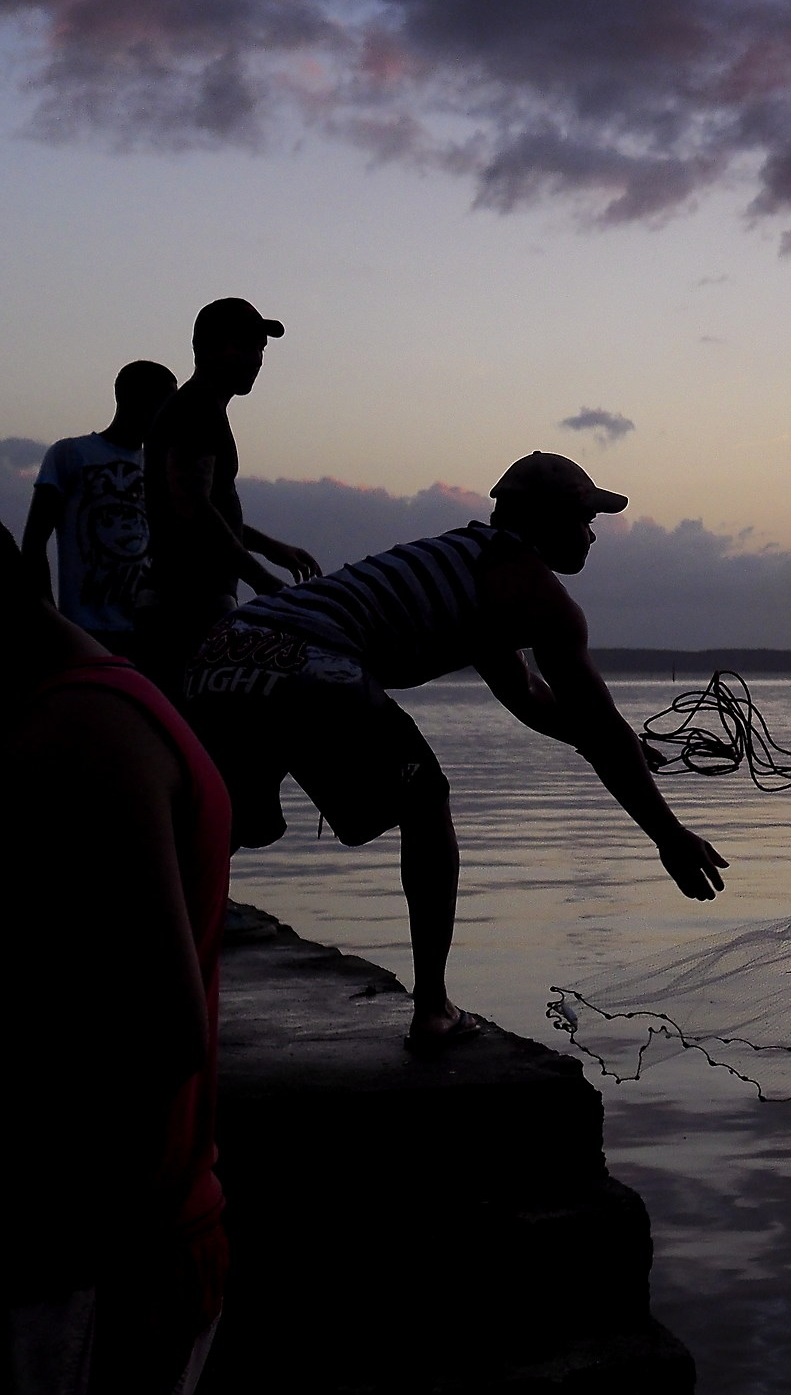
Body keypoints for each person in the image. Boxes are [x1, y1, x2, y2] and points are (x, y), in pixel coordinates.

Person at [183, 451, 726, 1049]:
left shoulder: (472, 565)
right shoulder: (536, 593)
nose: (593, 533)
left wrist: (623, 743)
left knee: (231, 824)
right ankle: (433, 1007)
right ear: (547, 520)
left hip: (220, 652)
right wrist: (669, 836)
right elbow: (593, 722)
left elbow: (533, 699)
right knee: (425, 799)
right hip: (309, 661)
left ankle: (152, 968)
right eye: (584, 517)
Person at [0, 525, 230, 1395]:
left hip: (85, 1266)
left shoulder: (79, 735)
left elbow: (161, 1026)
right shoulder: (96, 708)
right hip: (121, 1248)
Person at [139, 299, 320, 701]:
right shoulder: (198, 406)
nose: (258, 360)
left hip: (185, 603)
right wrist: (262, 580)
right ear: (216, 347)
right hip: (187, 606)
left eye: (261, 350)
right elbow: (192, 506)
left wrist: (272, 548)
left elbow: (203, 504)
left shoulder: (198, 407)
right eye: (249, 348)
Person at [21, 361, 179, 656]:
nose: (170, 417)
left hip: (145, 631)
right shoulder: (70, 454)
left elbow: (200, 516)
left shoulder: (161, 469)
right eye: (165, 404)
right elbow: (33, 542)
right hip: (83, 630)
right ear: (133, 399)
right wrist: (49, 615)